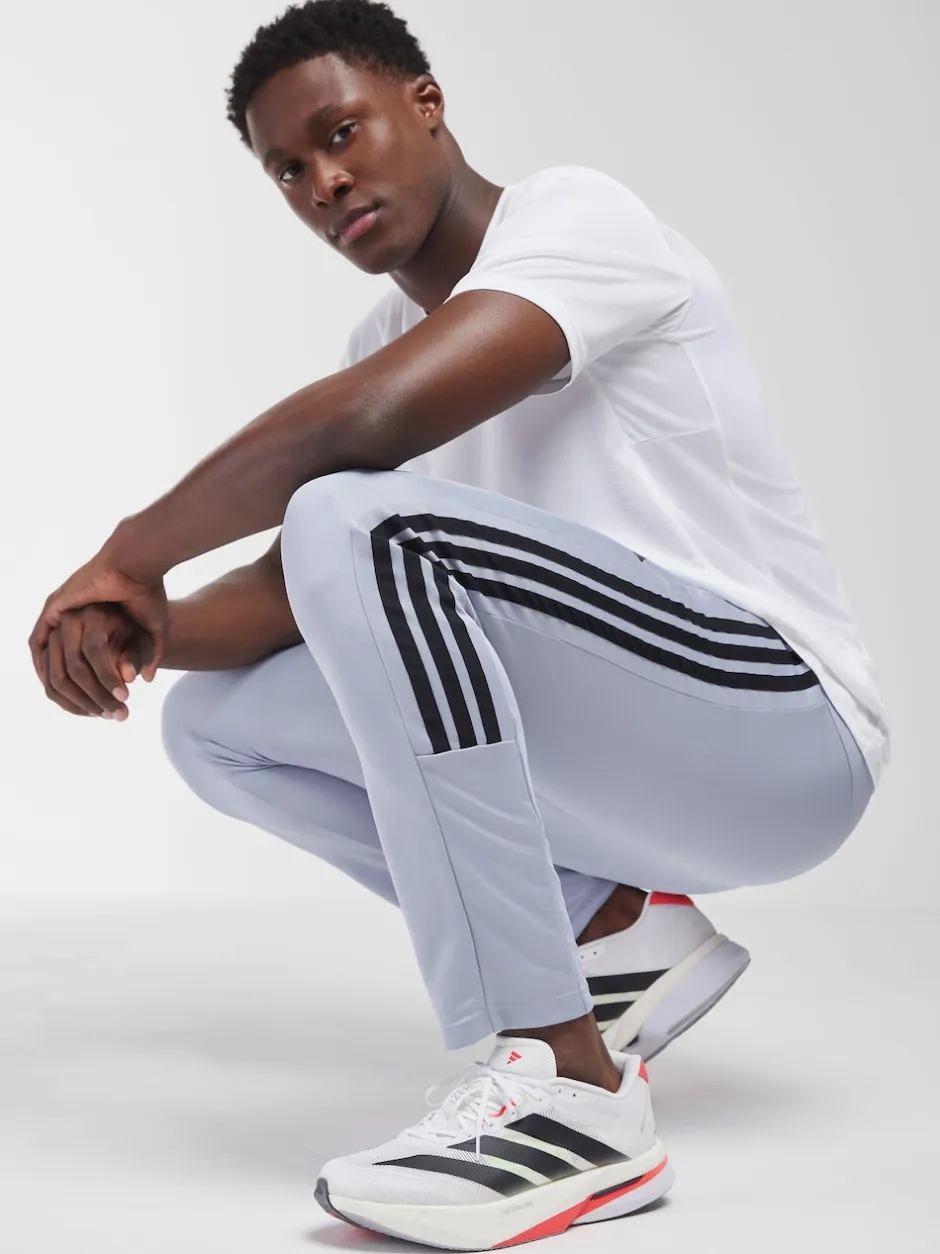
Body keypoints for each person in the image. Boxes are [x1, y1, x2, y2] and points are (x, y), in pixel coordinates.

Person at [28, 1, 890, 1247]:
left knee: (356, 518)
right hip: (644, 767)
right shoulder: (383, 340)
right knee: (216, 726)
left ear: (424, 105)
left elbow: (363, 434)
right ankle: (611, 929)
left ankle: (571, 1092)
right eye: (288, 171)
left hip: (780, 726)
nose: (323, 183)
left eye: (340, 134)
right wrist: (133, 629)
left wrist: (130, 550)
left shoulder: (574, 221)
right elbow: (290, 593)